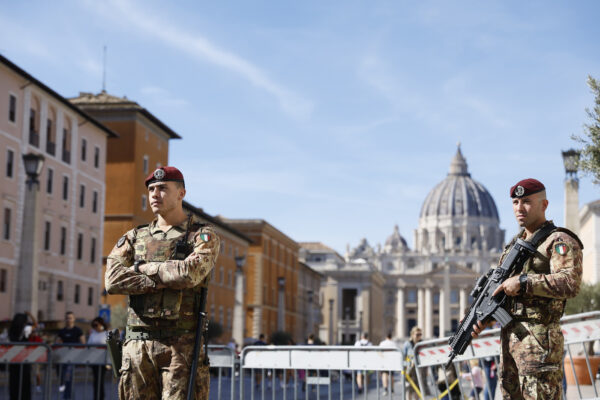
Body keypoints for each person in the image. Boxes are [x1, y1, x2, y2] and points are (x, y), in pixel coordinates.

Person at [105, 166, 220, 400]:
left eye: (162, 189)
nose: (155, 195)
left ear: (181, 193)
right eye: (151, 189)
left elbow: (189, 274)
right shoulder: (134, 237)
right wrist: (163, 279)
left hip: (181, 347)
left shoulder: (201, 236)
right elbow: (112, 280)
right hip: (137, 345)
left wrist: (142, 268)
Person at [472, 178, 583, 400]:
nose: (519, 208)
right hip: (510, 346)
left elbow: (570, 282)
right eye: (515, 202)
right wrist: (485, 317)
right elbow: (504, 294)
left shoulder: (558, 240)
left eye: (526, 201)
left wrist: (524, 282)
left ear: (544, 204)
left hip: (539, 345)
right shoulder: (513, 246)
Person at [56, 311, 85, 400]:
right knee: (64, 377)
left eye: (70, 318)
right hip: (63, 358)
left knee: (68, 377)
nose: (69, 320)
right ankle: (67, 394)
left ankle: (68, 396)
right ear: (65, 319)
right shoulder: (62, 331)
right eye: (67, 318)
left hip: (72, 358)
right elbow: (57, 342)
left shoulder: (78, 330)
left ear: (74, 319)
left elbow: (83, 343)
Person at [8, 313, 32, 400]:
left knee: (14, 385)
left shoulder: (11, 330)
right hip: (24, 361)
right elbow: (33, 326)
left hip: (13, 362)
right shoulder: (26, 331)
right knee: (25, 386)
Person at [88, 317, 108, 400]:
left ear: (101, 324)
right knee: (96, 381)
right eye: (93, 325)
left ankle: (101, 397)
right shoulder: (93, 334)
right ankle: (96, 397)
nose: (95, 327)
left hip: (103, 361)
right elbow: (88, 345)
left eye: (96, 325)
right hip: (94, 360)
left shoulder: (106, 334)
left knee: (100, 380)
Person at [403, 326, 425, 400]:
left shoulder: (422, 343)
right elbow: (403, 356)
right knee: (408, 387)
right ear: (412, 334)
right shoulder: (407, 344)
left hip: (419, 368)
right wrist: (405, 367)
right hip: (409, 369)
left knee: (418, 387)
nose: (419, 336)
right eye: (417, 334)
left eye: (420, 334)